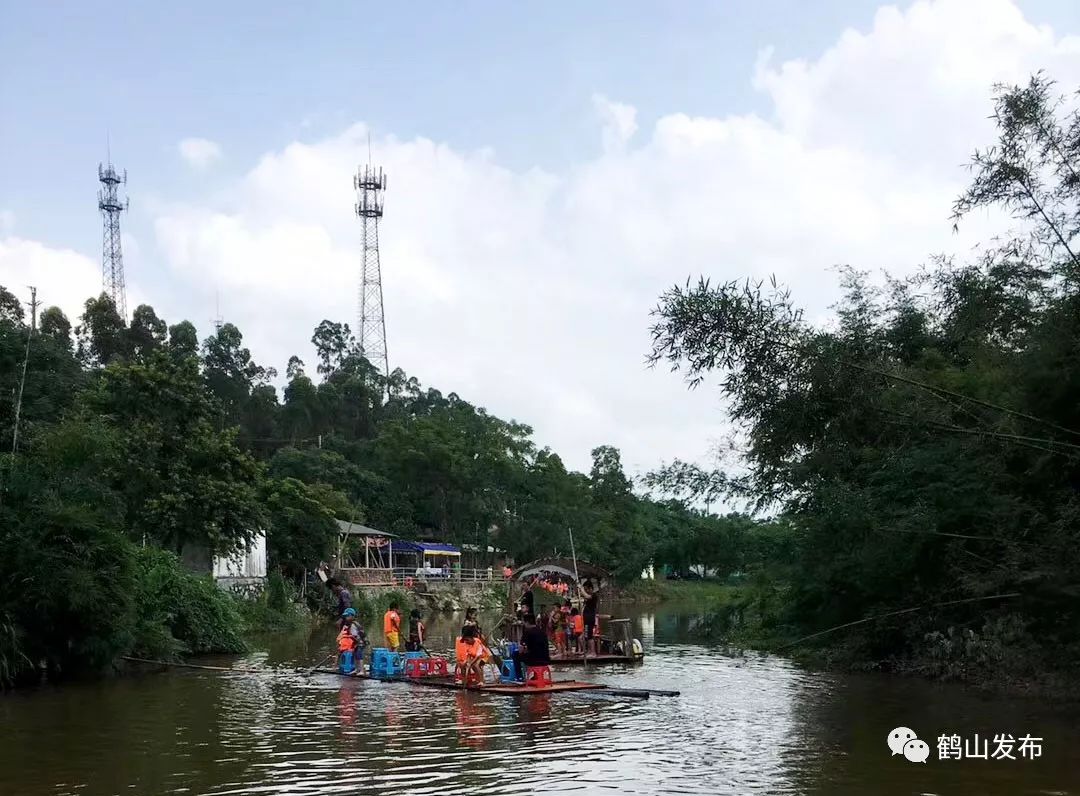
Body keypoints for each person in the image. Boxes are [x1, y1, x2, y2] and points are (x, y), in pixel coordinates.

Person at [512, 611, 551, 680]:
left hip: (534, 660)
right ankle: (536, 676)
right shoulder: (542, 631)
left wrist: (522, 651)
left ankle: (519, 677)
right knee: (534, 653)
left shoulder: (527, 632)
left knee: (515, 654)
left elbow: (521, 649)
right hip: (546, 659)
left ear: (526, 622)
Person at [337, 608, 365, 675]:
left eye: (348, 616)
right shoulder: (350, 625)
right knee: (355, 655)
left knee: (359, 656)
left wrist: (349, 638)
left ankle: (361, 670)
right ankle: (357, 669)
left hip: (359, 643)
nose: (346, 618)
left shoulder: (353, 625)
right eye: (345, 616)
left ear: (352, 616)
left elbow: (355, 635)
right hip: (355, 643)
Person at [582, 579, 601, 655]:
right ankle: (589, 651)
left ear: (590, 588)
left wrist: (581, 588)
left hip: (590, 618)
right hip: (586, 619)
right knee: (586, 636)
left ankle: (593, 652)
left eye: (586, 589)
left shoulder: (593, 595)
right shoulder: (587, 597)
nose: (585, 591)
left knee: (590, 635)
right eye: (585, 589)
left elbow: (587, 596)